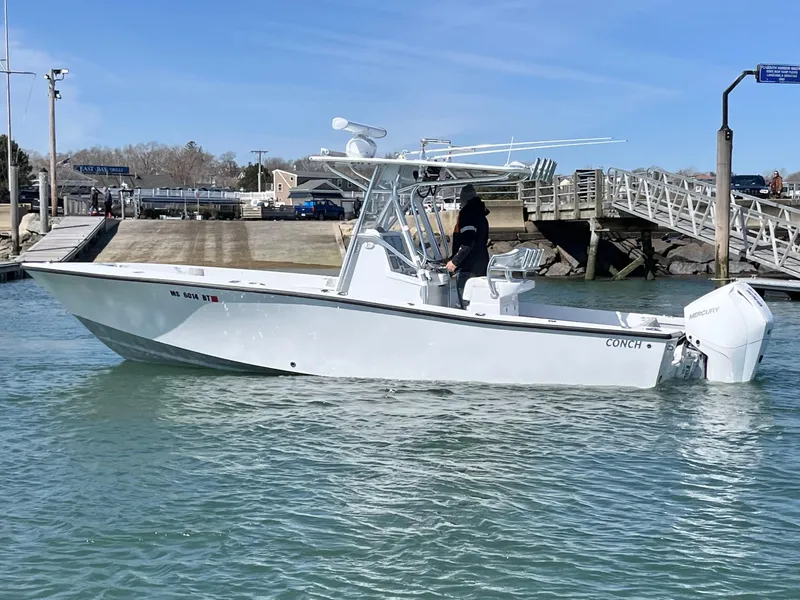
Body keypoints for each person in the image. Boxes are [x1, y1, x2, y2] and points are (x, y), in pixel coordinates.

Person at [446, 183, 490, 308]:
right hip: (481, 263)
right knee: (477, 301)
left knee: (465, 302)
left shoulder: (468, 214)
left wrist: (455, 261)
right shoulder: (480, 214)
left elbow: (467, 242)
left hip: (469, 266)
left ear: (463, 197)